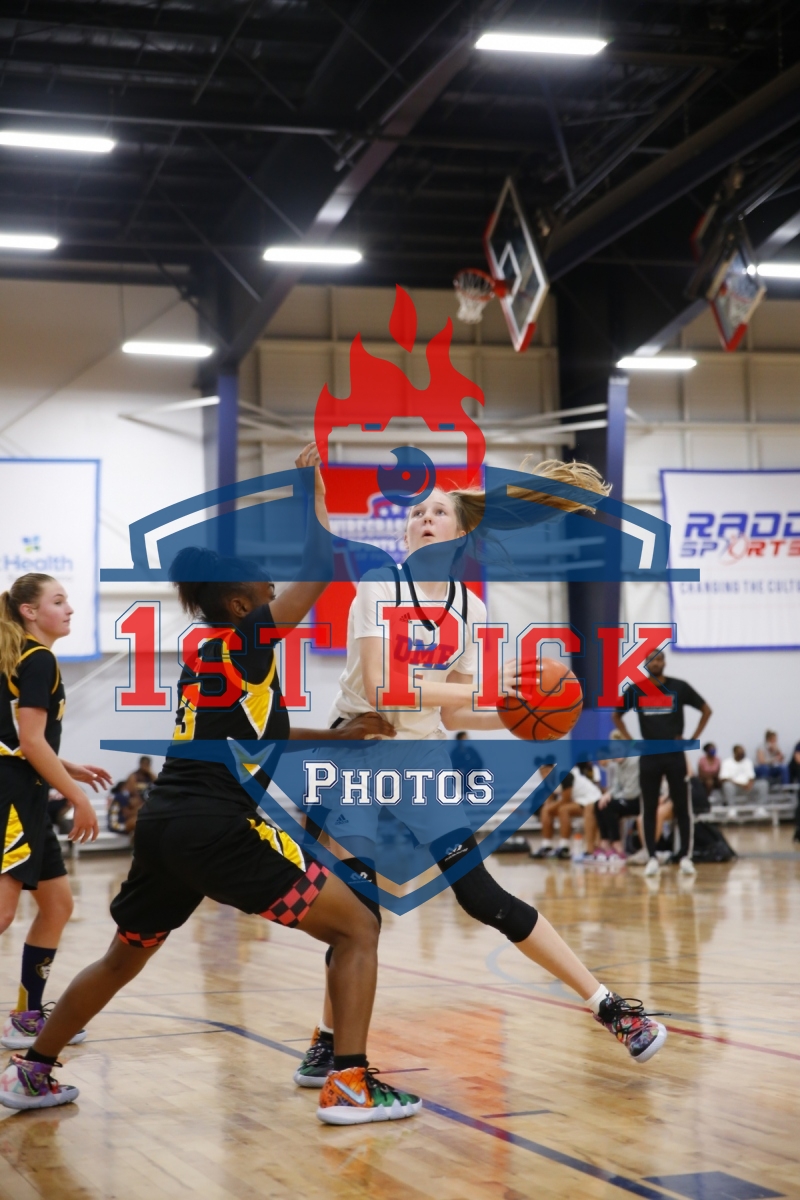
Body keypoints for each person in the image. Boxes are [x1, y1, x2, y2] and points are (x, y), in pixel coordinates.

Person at [0, 445, 422, 1126]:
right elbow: (320, 568)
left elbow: (252, 736)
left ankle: (32, 1070)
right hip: (218, 826)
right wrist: (312, 491)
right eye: (264, 588)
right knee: (359, 926)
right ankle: (349, 1084)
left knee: (122, 957)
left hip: (165, 825)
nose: (274, 591)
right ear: (240, 603)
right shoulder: (248, 639)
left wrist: (337, 735)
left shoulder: (206, 653)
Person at [295, 460, 668, 1089]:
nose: (424, 518)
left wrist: (528, 718)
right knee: (360, 912)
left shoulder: (468, 607)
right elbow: (384, 687)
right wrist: (494, 686)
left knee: (482, 896)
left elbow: (457, 709)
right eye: (416, 513)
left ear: (461, 533)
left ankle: (610, 1007)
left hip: (420, 758)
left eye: (438, 510)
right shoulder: (378, 588)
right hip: (354, 751)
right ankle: (329, 1043)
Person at [0, 573, 108, 1056]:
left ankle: (27, 1016)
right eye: (58, 601)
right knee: (3, 914)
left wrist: (66, 768)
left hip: (26, 795)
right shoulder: (37, 658)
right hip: (12, 799)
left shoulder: (22, 655)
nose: (69, 609)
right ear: (29, 611)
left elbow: (16, 740)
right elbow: (29, 742)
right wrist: (78, 797)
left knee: (58, 905)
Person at [613, 650, 711, 879]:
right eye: (652, 660)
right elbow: (616, 715)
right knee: (648, 808)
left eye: (659, 659)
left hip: (675, 754)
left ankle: (685, 857)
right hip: (650, 754)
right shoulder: (636, 689)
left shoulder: (679, 687)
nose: (656, 663)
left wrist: (692, 738)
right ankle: (652, 858)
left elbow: (706, 710)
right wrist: (631, 741)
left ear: (664, 662)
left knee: (683, 807)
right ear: (645, 664)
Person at [531, 762, 604, 859]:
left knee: (563, 810)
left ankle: (564, 846)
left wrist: (548, 808)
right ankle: (546, 845)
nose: (544, 775)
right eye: (542, 772)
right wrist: (546, 809)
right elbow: (550, 800)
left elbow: (566, 799)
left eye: (547, 771)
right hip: (578, 800)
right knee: (546, 811)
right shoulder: (547, 782)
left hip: (591, 799)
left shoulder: (564, 775)